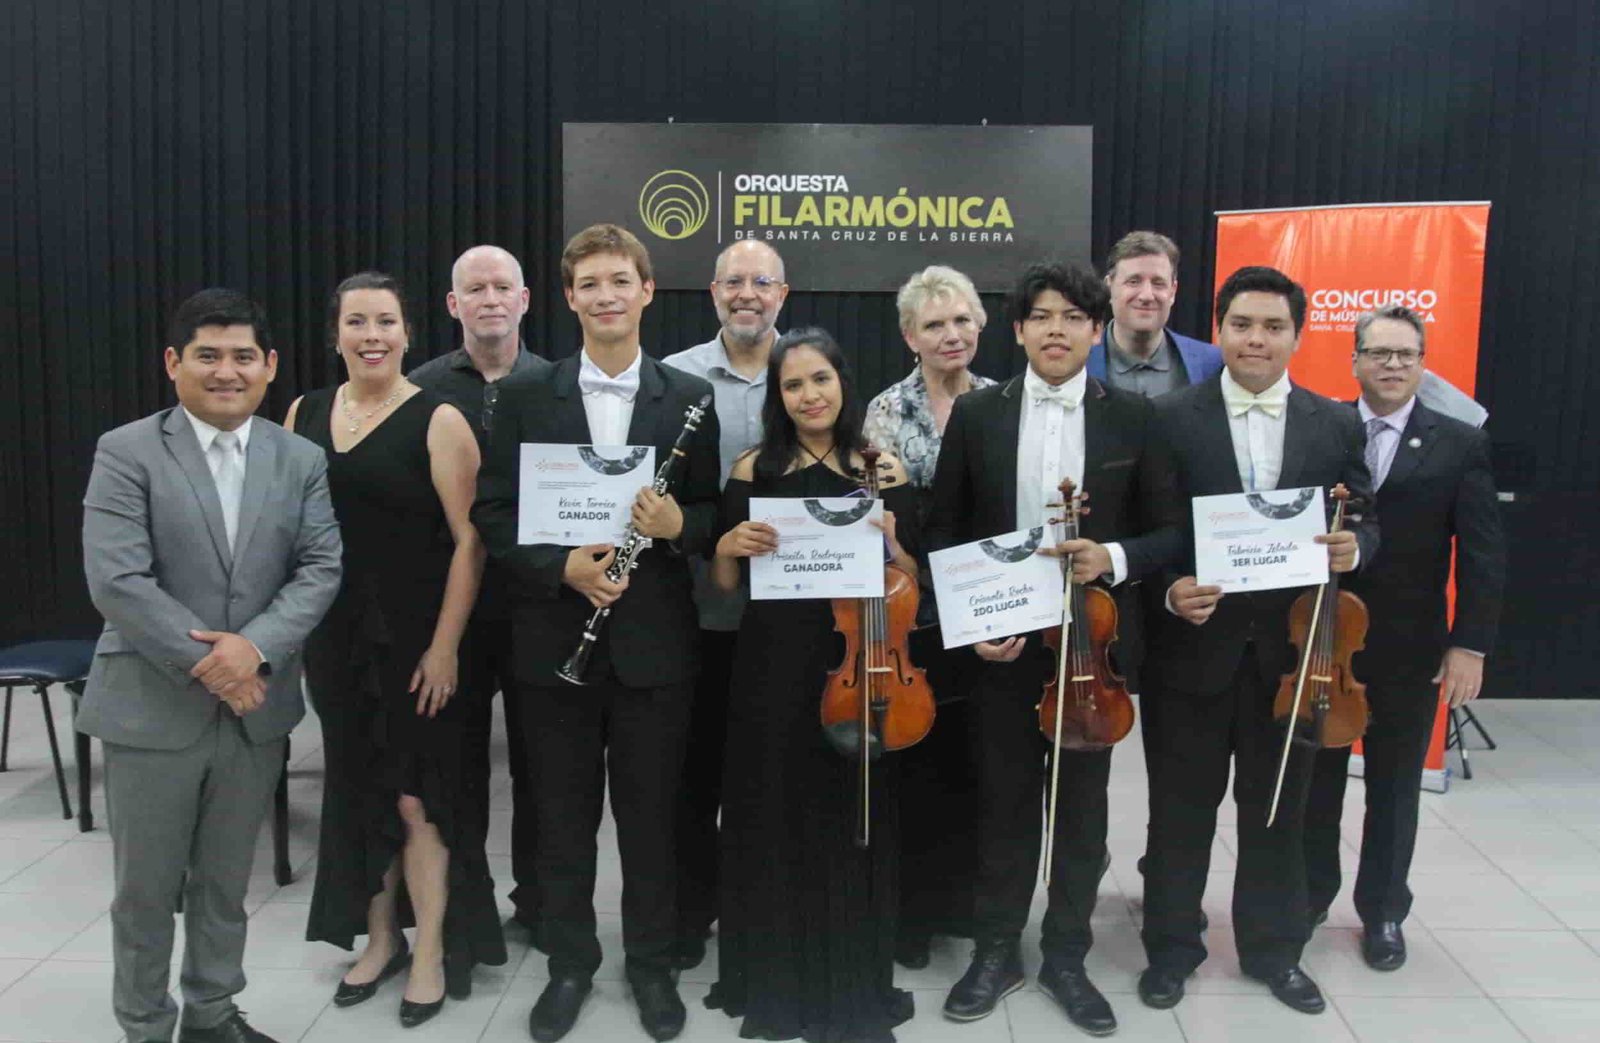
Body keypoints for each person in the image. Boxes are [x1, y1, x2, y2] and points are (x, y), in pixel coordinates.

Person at [473, 224, 721, 1043]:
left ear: (647, 290)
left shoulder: (690, 396)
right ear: (569, 297)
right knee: (561, 818)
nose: (606, 295)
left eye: (621, 280)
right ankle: (569, 963)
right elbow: (494, 514)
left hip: (656, 649)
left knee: (651, 822)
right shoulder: (524, 394)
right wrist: (561, 568)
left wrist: (682, 524)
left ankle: (651, 964)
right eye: (590, 283)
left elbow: (712, 512)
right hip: (554, 643)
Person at [80, 288, 342, 1043]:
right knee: (145, 890)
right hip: (151, 706)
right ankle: (144, 1024)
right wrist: (217, 664)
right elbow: (117, 579)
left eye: (242, 356)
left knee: (226, 883)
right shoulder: (126, 450)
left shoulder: (300, 458)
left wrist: (251, 649)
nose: (226, 371)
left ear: (270, 366)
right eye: (208, 355)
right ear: (174, 362)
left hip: (254, 710)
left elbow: (320, 566)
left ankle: (212, 1013)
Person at [925, 262, 1180, 1036]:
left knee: (1080, 813)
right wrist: (973, 623)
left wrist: (1114, 557)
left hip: (1093, 652)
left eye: (1074, 316)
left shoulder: (1135, 416)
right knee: (1003, 806)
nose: (1057, 329)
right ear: (1018, 329)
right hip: (1005, 648)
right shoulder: (978, 414)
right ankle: (997, 948)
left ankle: (1067, 954)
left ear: (1098, 330)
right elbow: (945, 529)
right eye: (1041, 316)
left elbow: (1171, 530)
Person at [1137, 266, 1379, 1016]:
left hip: (1292, 659)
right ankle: (1170, 950)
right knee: (1179, 813)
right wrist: (1170, 588)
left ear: (1297, 336)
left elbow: (1366, 516)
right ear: (1219, 329)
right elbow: (1147, 529)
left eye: (1274, 326)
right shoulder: (1168, 418)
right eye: (1242, 324)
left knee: (1278, 812)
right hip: (1191, 652)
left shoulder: (1335, 423)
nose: (1256, 339)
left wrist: (1358, 546)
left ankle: (1274, 951)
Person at [288, 270, 504, 1028]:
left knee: (419, 799)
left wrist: (446, 646)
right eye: (357, 321)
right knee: (361, 793)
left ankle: (432, 949)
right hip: (336, 640)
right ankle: (381, 940)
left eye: (385, 321)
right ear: (336, 334)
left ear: (409, 333)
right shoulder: (304, 411)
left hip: (418, 641)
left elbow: (471, 542)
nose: (372, 335)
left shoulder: (440, 418)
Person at [706, 326, 919, 1043]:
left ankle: (849, 974)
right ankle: (778, 975)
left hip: (858, 666)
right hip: (771, 667)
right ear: (778, 396)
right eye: (792, 384)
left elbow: (912, 580)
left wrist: (895, 545)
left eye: (820, 379)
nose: (808, 395)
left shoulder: (882, 468)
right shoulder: (752, 468)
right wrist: (727, 546)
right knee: (774, 811)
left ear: (843, 383)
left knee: (851, 816)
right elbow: (727, 585)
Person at [1304, 304, 1505, 970]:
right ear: (1355, 360)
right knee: (1318, 779)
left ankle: (1384, 910)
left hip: (1411, 645)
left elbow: (1483, 552)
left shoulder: (1460, 443)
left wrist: (1470, 644)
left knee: (1393, 787)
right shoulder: (1323, 429)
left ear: (1422, 364)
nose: (1392, 365)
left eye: (1406, 354)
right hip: (1323, 638)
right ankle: (1309, 897)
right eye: (1379, 353)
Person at [409, 244, 551, 937]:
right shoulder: (419, 389)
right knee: (455, 762)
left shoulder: (559, 385)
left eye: (502, 287)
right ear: (452, 304)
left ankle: (538, 902)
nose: (490, 299)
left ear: (525, 300)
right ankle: (465, 911)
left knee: (542, 764)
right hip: (449, 607)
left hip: (539, 601)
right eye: (475, 288)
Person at [862, 264, 997, 970]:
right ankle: (909, 914)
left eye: (962, 319)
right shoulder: (885, 412)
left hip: (987, 607)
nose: (951, 334)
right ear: (910, 336)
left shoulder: (1003, 402)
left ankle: (963, 906)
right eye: (934, 324)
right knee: (913, 767)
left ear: (981, 325)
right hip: (913, 612)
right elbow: (878, 519)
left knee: (975, 763)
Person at [659, 239, 788, 969]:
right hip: (692, 614)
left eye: (761, 281)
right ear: (712, 292)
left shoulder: (807, 373)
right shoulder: (673, 377)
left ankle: (759, 911)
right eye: (734, 281)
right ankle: (689, 912)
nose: (747, 293)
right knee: (691, 774)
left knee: (768, 777)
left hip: (786, 623)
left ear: (782, 293)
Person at [1089, 231, 1223, 394]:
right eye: (1133, 281)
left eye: (1158, 283)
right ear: (1109, 287)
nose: (1147, 296)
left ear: (1173, 292)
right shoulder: (1078, 361)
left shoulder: (1212, 364)